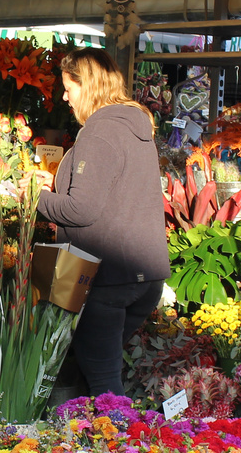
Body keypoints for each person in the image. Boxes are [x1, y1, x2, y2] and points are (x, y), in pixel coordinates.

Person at [34, 49, 169, 396]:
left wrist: (33, 199)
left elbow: (81, 210)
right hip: (144, 276)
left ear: (88, 85)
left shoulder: (100, 131)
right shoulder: (135, 126)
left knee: (104, 384)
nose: (64, 96)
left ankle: (124, 447)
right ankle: (84, 446)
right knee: (93, 373)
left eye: (68, 87)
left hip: (104, 277)